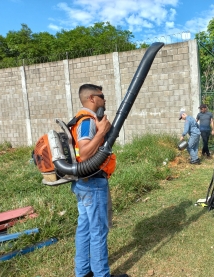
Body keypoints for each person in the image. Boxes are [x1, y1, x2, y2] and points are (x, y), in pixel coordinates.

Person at [70, 84, 129, 277]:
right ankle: (102, 274)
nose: (105, 100)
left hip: (84, 183)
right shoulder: (88, 121)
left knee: (85, 228)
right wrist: (102, 132)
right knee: (98, 231)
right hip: (93, 183)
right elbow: (86, 154)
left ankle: (83, 272)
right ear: (92, 99)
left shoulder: (83, 120)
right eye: (102, 96)